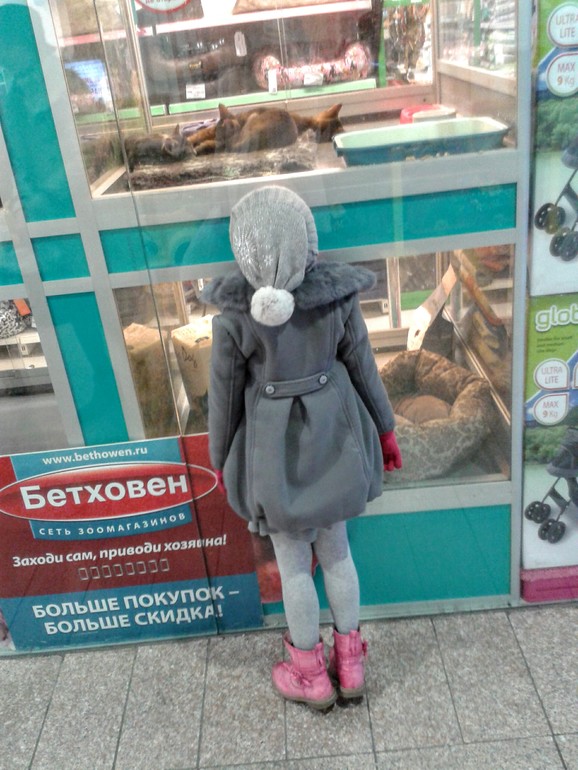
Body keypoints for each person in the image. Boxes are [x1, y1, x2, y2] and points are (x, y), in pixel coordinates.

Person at [203, 186, 402, 710]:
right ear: (306, 243)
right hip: (335, 440)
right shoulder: (336, 299)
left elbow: (224, 399)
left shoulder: (232, 317)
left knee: (294, 567)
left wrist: (220, 460)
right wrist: (385, 430)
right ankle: (351, 664)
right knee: (337, 553)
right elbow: (364, 367)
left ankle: (309, 675)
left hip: (273, 459)